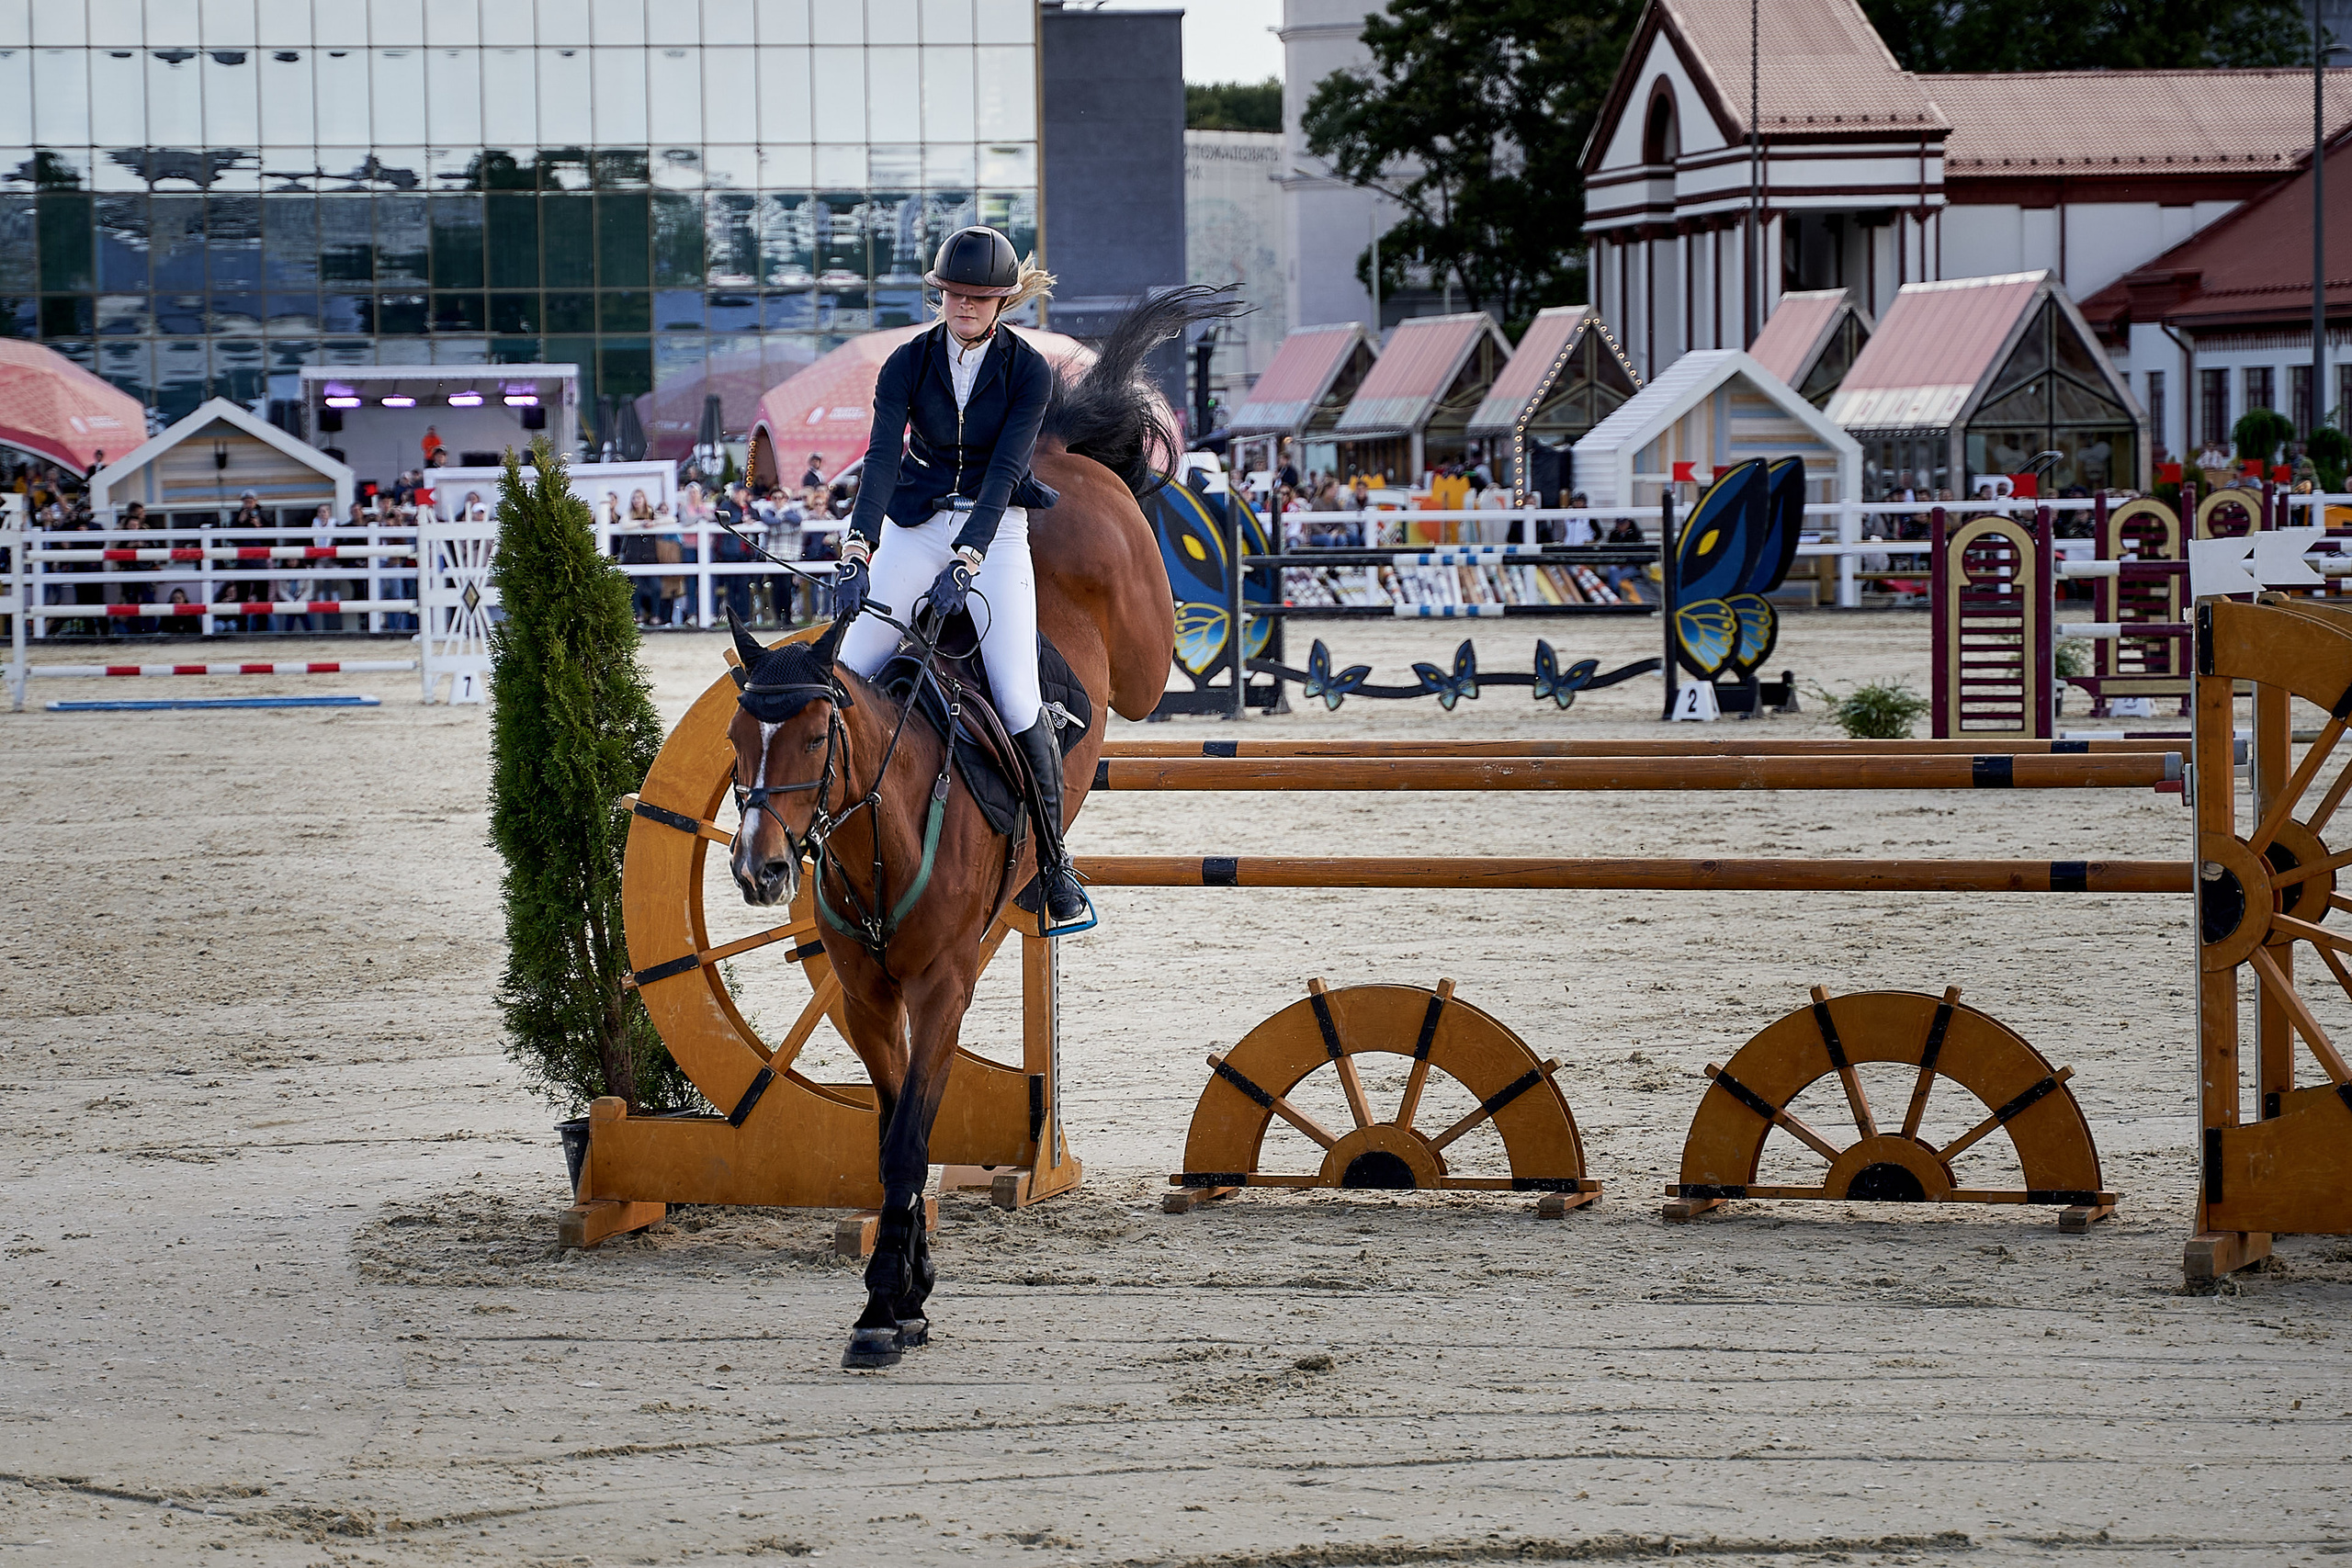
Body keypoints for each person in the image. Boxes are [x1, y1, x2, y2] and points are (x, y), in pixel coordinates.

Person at [832, 224, 1085, 928]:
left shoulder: (1028, 371)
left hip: (996, 534)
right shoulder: (905, 363)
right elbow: (882, 459)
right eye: (952, 294)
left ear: (1002, 300)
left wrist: (969, 560)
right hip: (914, 529)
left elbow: (1006, 471)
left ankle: (1057, 862)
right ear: (939, 293)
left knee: (1015, 695)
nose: (964, 306)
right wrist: (858, 549)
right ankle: (823, 837)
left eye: (977, 297)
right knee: (847, 667)